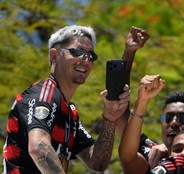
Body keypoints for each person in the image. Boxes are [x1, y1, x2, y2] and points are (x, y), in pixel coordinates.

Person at [2, 25, 148, 173]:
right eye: (77, 52)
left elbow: (97, 162)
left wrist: (110, 119)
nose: (85, 60)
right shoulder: (43, 95)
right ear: (54, 56)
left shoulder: (69, 112)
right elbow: (38, 147)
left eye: (91, 55)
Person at [119, 75, 184, 174]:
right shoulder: (151, 157)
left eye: (183, 118)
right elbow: (128, 155)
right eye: (167, 118)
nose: (174, 122)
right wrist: (142, 101)